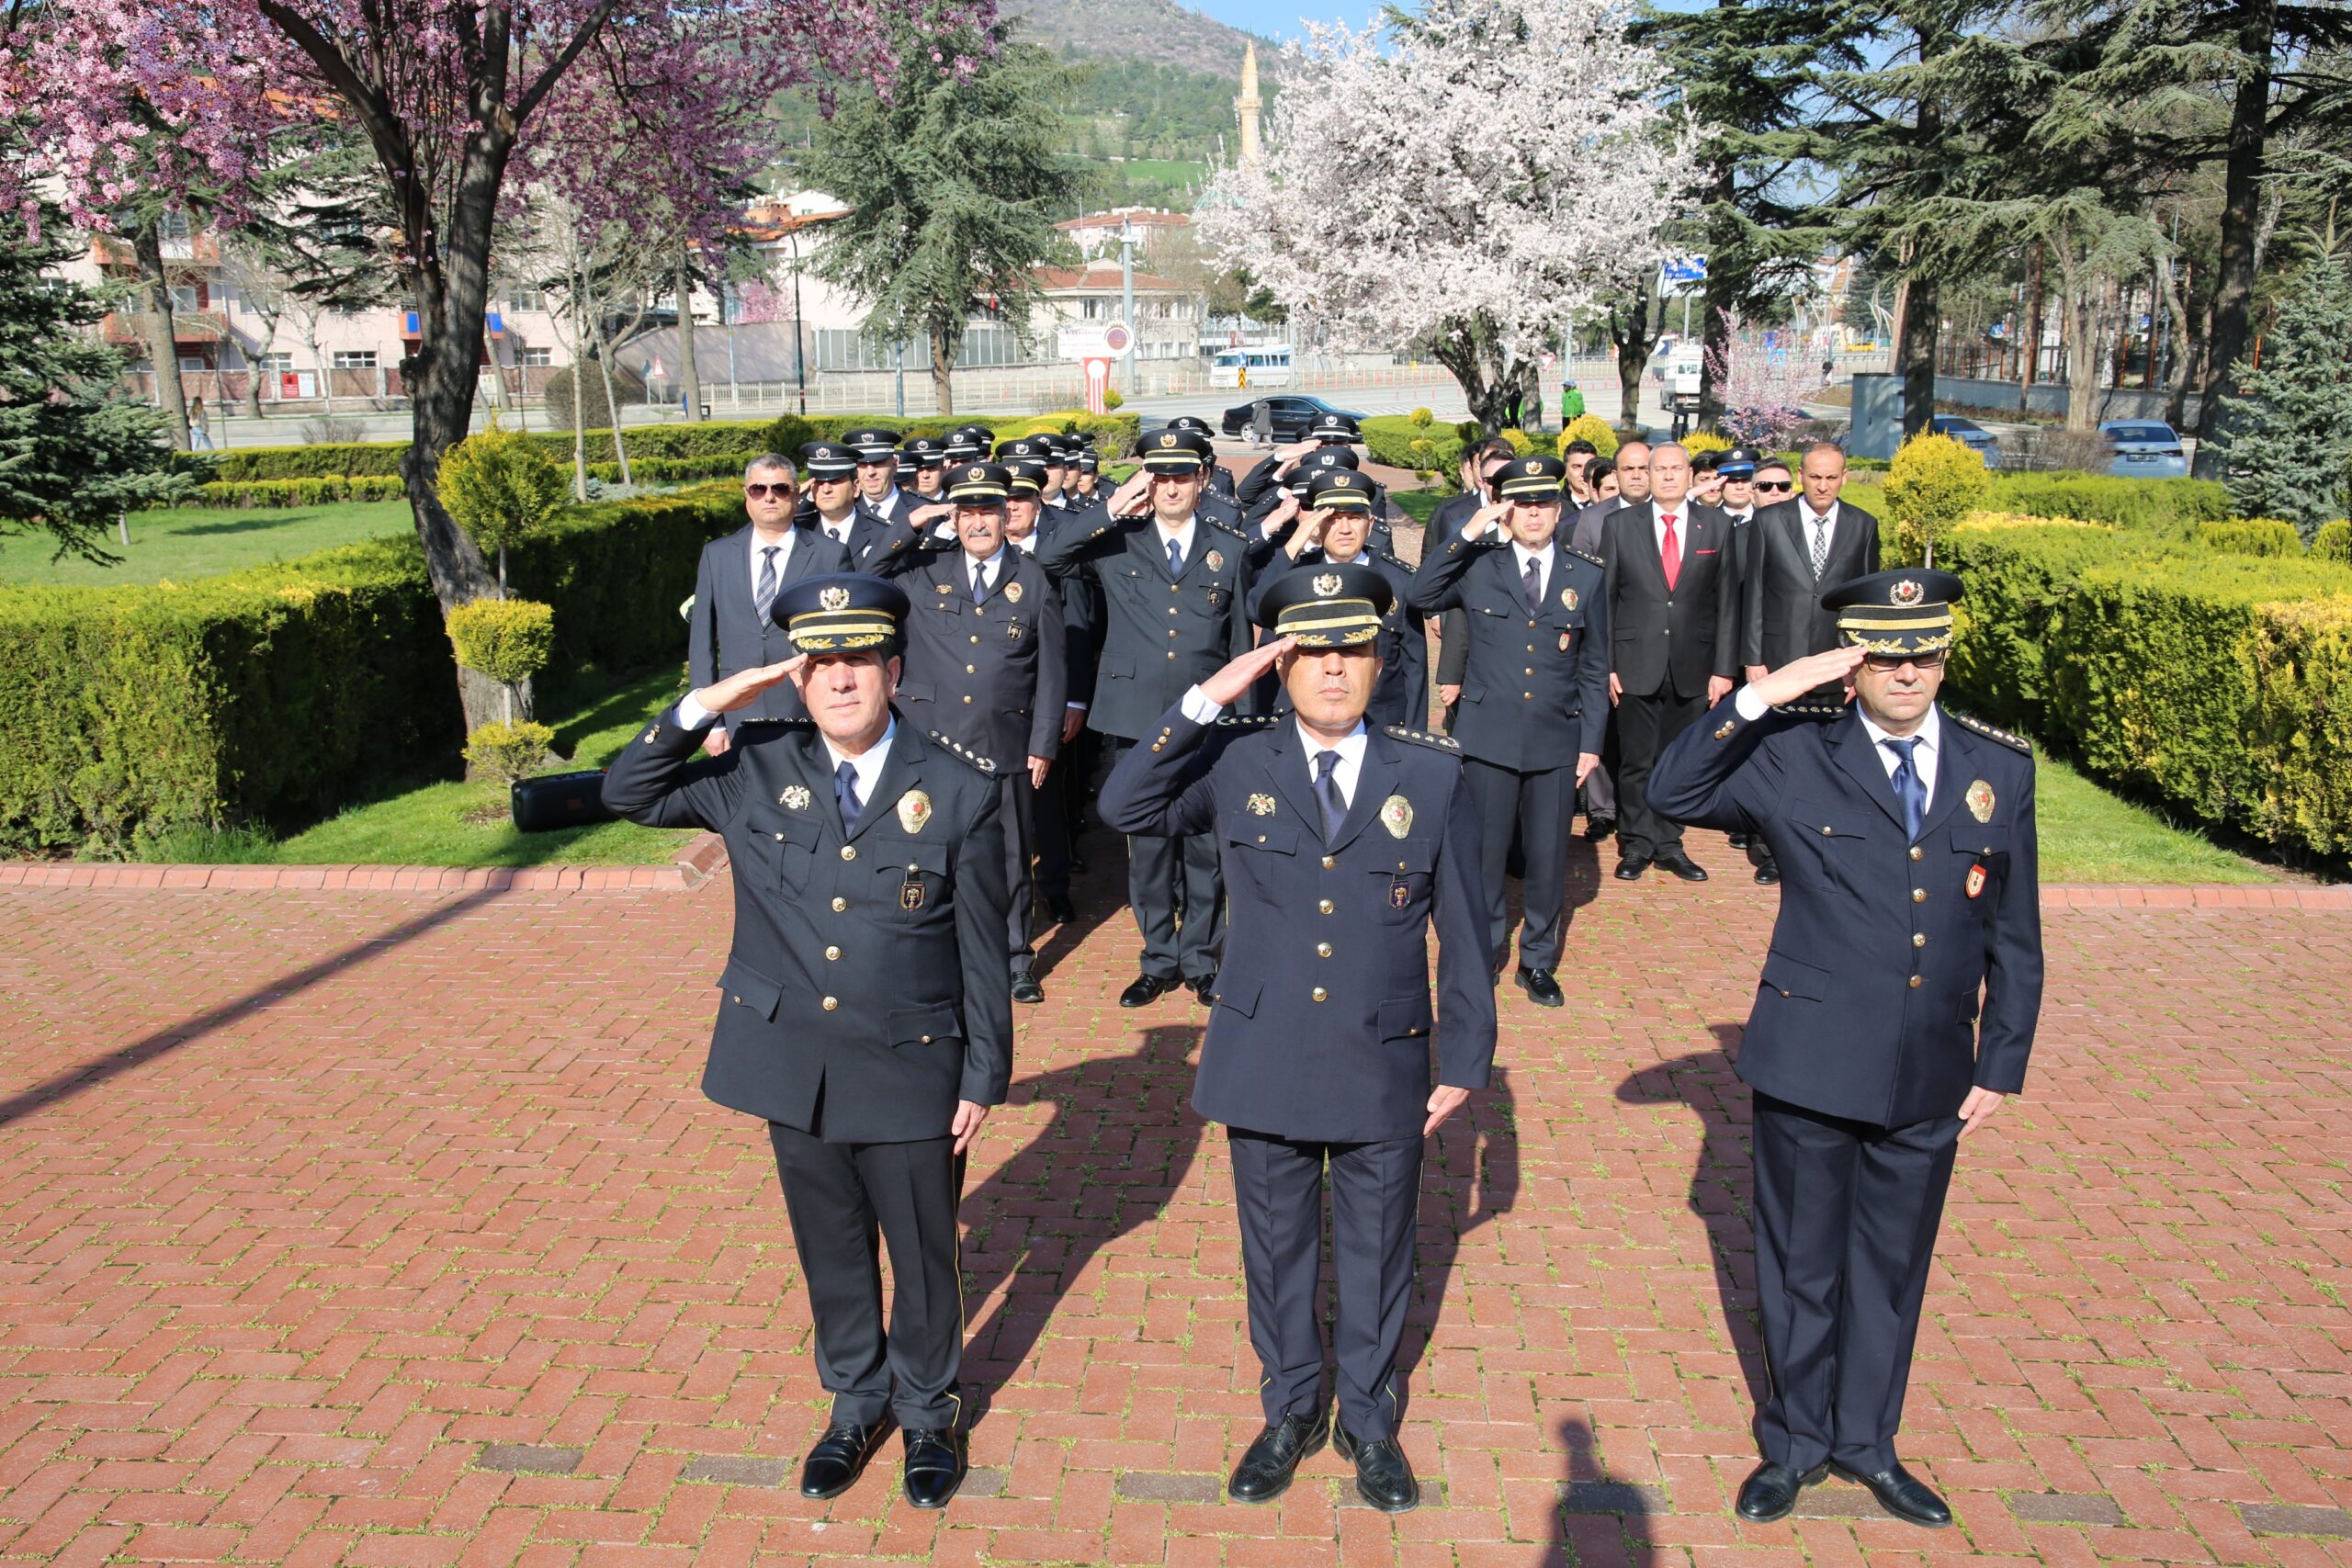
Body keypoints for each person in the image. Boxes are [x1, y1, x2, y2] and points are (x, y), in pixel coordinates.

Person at [602, 573, 1013, 1513]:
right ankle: (854, 1403)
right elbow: (628, 792)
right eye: (820, 664)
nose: (839, 681)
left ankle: (928, 1413)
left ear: (893, 670)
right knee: (830, 1252)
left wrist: (985, 1073)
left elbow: (985, 948)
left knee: (921, 1256)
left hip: (914, 1064)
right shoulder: (753, 766)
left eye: (858, 662)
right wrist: (707, 702)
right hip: (795, 1067)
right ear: (797, 678)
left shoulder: (956, 787)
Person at [1646, 569, 2041, 1531]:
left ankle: (1867, 1443)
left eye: (1925, 654)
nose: (1907, 672)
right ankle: (1793, 1444)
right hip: (1811, 1060)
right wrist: (1764, 695)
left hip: (1931, 1069)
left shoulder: (1999, 770)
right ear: (1853, 662)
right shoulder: (1795, 755)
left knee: (1891, 1269)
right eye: (1885, 654)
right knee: (1800, 1266)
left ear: (1945, 658)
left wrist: (2002, 1061)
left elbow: (2015, 933)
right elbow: (1671, 787)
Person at [1097, 566, 1496, 1515]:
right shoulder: (1235, 760)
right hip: (1264, 1050)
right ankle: (1289, 1409)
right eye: (1308, 650)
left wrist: (1466, 1059)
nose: (1329, 669)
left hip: (1383, 1052)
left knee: (1378, 1248)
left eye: (1348, 649)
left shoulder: (1432, 772)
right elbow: (1124, 807)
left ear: (1376, 659)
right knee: (1275, 1250)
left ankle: (1365, 1415)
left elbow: (1470, 931)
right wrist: (1205, 698)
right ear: (1280, 666)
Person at [1037, 426, 1253, 1007]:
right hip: (1136, 718)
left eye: (1182, 474)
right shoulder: (1118, 540)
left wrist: (1244, 725)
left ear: (1202, 479)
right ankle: (1159, 958)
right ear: (1146, 481)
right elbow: (1046, 556)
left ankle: (1202, 960)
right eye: (1160, 475)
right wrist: (1111, 505)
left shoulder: (1229, 546)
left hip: (1207, 718)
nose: (1171, 486)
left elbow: (1238, 644)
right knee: (1149, 848)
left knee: (1206, 847)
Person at [1408, 455, 1608, 1007]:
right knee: (1484, 857)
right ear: (1506, 510)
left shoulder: (1585, 574)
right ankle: (1485, 951)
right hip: (1488, 736)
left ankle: (1538, 962)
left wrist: (1591, 743)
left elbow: (1593, 665)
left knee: (1547, 860)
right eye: (1522, 503)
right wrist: (1468, 533)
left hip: (1554, 739)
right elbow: (1421, 595)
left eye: (1544, 502)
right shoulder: (1478, 565)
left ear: (1559, 508)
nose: (1534, 512)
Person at [882, 462, 1066, 1005]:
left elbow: (1052, 671)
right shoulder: (923, 570)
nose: (978, 523)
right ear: (954, 516)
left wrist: (1043, 743)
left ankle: (1015, 960)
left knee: (1010, 860)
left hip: (1003, 745)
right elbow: (864, 566)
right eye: (967, 512)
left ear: (1005, 515)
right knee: (923, 853)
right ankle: (926, 954)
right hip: (930, 743)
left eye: (988, 510)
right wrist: (915, 520)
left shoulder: (1032, 580)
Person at [1600, 442, 1736, 882]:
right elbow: (1604, 600)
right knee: (1636, 760)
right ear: (1649, 475)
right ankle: (1637, 843)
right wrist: (1607, 665)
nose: (1668, 476)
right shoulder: (1621, 525)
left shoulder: (1716, 526)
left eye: (1677, 468)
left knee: (1679, 760)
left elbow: (1728, 602)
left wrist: (1723, 668)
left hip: (1694, 663)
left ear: (1690, 474)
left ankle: (1670, 843)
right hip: (1635, 660)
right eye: (1660, 469)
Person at [687, 455, 855, 754]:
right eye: (758, 489)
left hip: (806, 708)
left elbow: (844, 640)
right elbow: (701, 642)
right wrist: (709, 721)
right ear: (746, 495)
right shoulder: (717, 555)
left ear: (796, 493)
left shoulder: (830, 555)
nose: (769, 497)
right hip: (736, 709)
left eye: (780, 489)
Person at [1250, 470, 1428, 728]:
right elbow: (1256, 610)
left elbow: (1415, 669)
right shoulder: (1297, 576)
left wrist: (1414, 740)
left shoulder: (1399, 580)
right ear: (1317, 523)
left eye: (1354, 518)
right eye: (1332, 519)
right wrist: (1295, 543)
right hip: (1305, 723)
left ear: (1371, 523)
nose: (1345, 529)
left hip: (1379, 725)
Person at [800, 440, 900, 568]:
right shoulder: (800, 529)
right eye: (819, 482)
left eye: (835, 481)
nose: (826, 490)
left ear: (856, 487)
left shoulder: (884, 533)